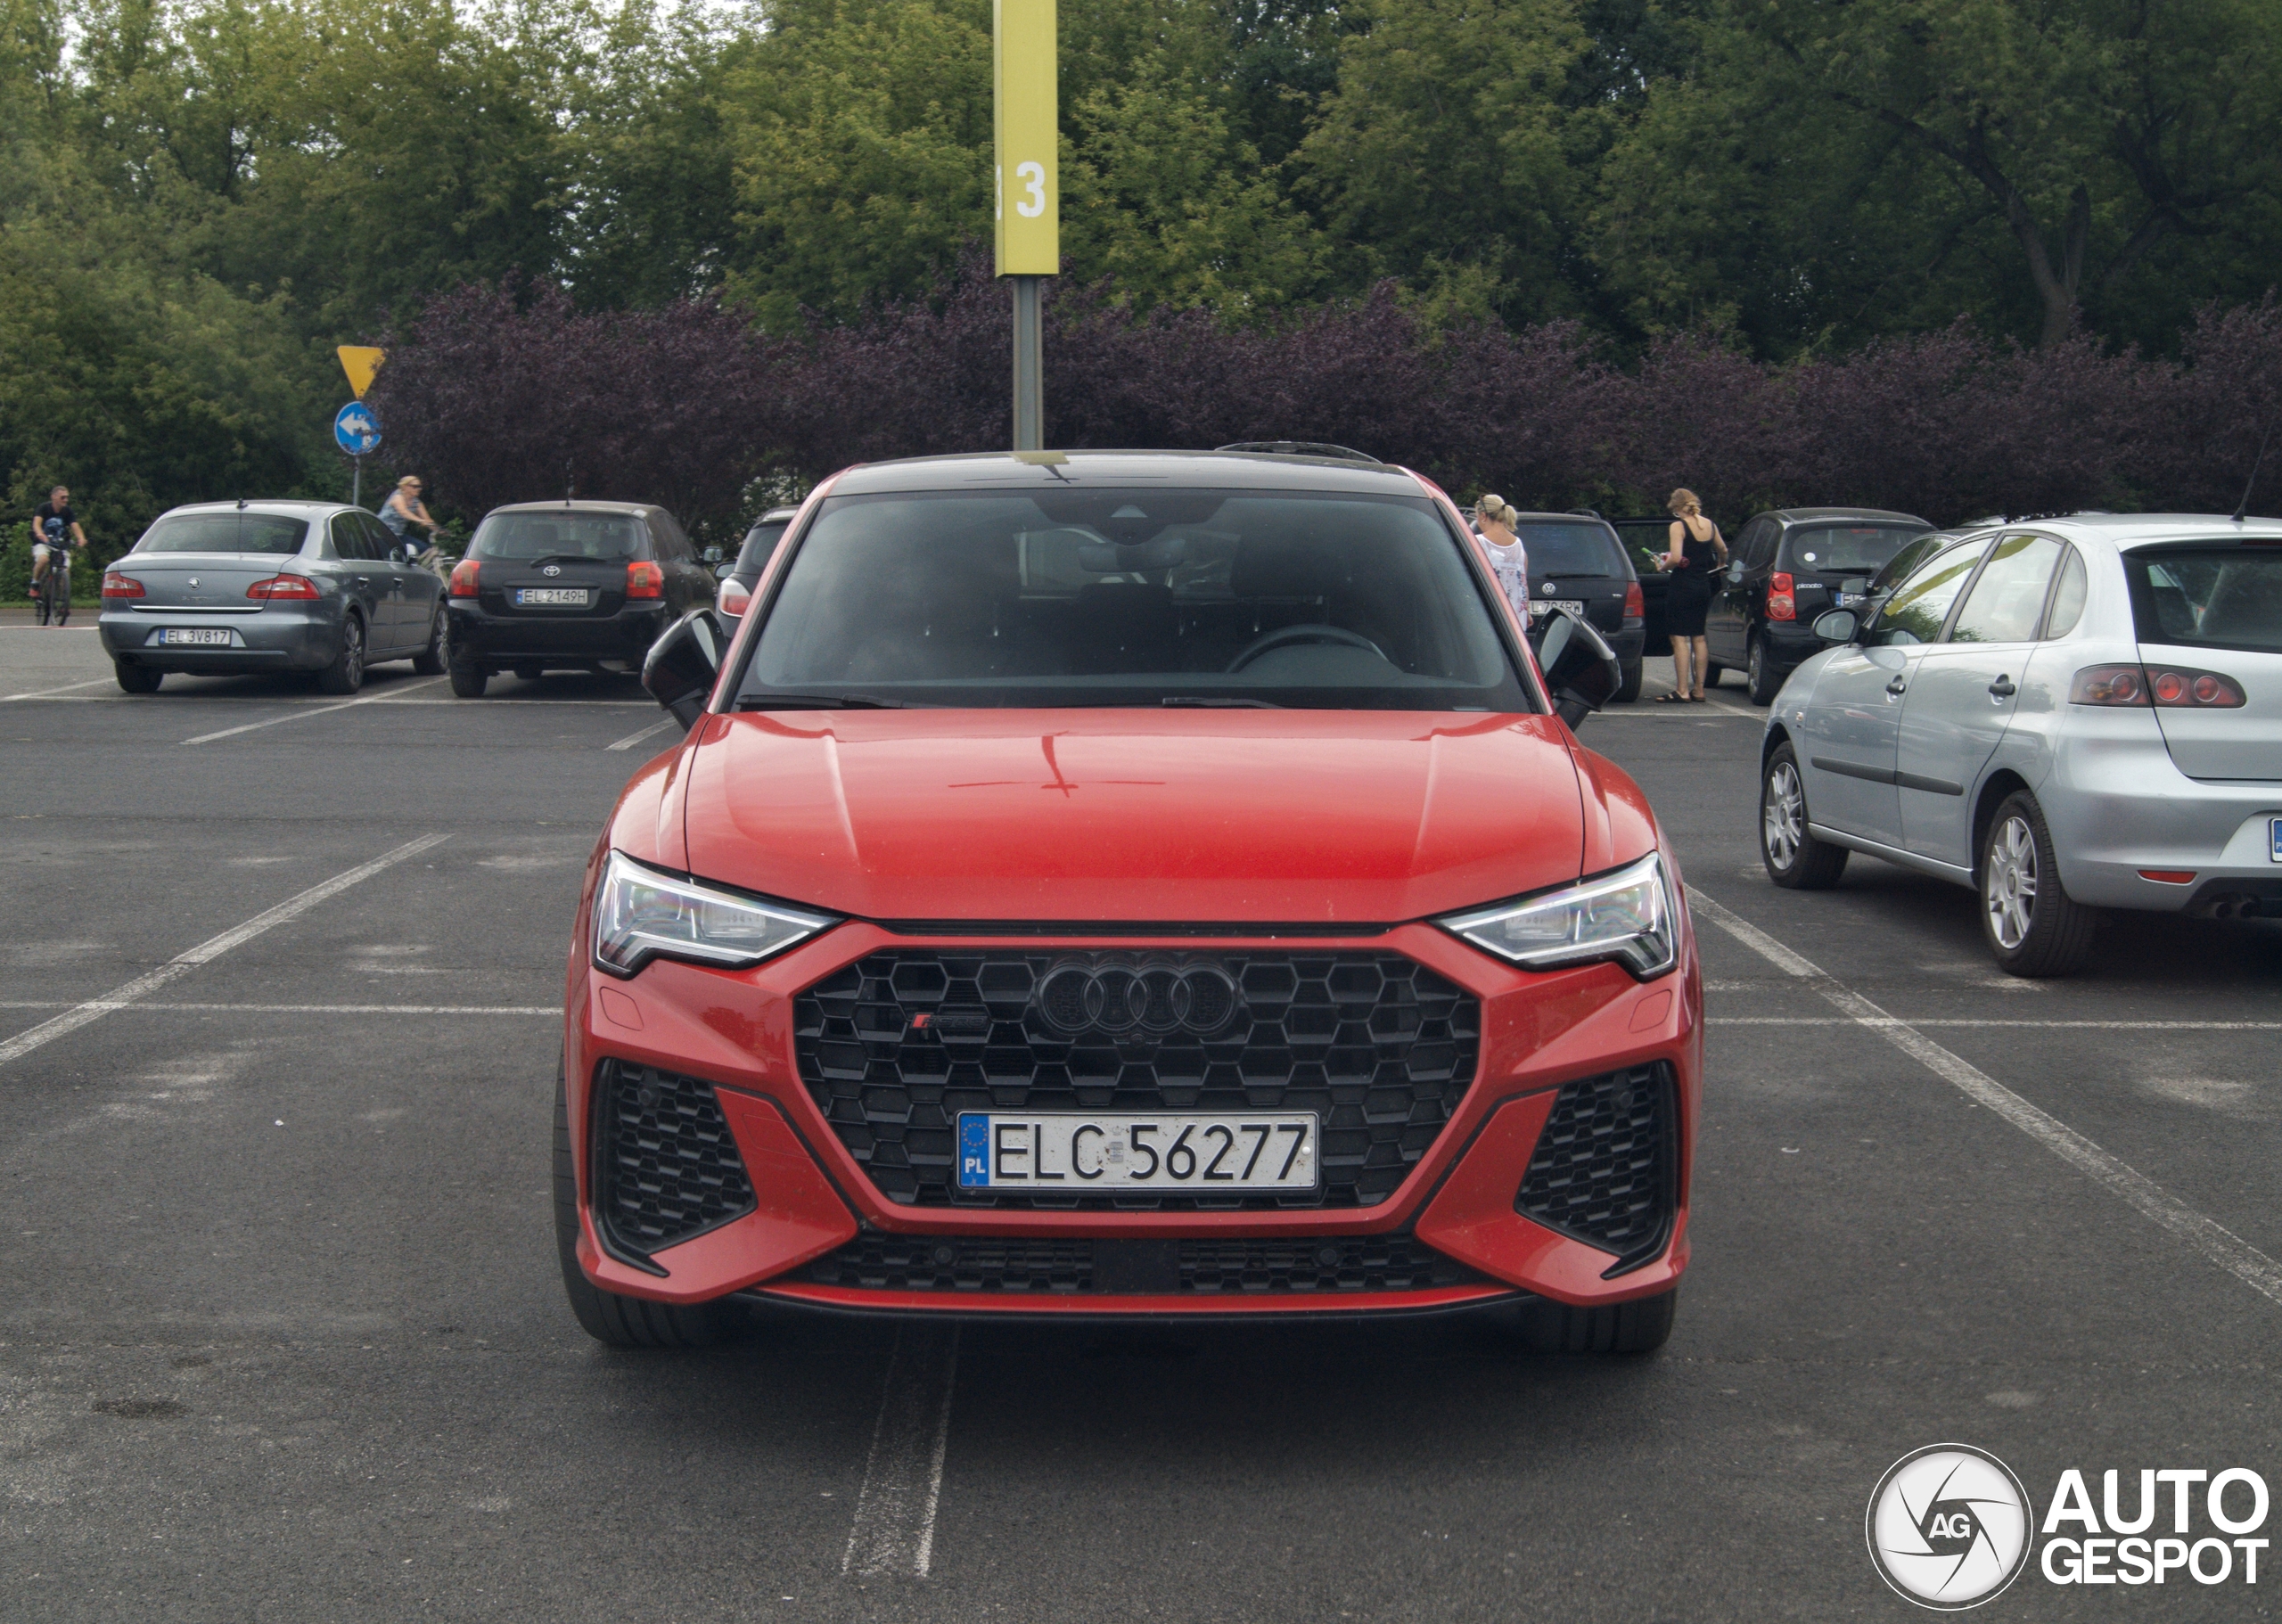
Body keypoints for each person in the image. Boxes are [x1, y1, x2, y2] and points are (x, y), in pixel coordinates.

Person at [1655, 487, 1727, 701]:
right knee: (1699, 638)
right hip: (1703, 585)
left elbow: (1676, 557)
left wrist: (1662, 566)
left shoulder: (1678, 526)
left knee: (1679, 638)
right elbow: (1723, 550)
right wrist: (1720, 565)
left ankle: (1682, 690)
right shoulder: (1710, 525)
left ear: (1676, 508)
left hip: (1682, 586)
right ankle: (1699, 690)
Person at [1474, 494, 1529, 623]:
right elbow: (1523, 583)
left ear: (1483, 516)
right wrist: (1528, 612)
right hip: (1517, 620)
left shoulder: (1478, 543)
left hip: (1489, 618)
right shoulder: (1519, 545)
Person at [29, 486, 87, 599]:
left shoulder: (67, 511)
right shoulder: (44, 508)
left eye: (66, 497)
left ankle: (62, 601)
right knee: (43, 559)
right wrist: (40, 533)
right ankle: (35, 583)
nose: (65, 500)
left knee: (65, 570)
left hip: (60, 544)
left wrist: (81, 538)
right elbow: (36, 523)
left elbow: (75, 526)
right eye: (63, 497)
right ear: (54, 497)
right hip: (43, 543)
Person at [378, 475, 438, 562]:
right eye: (415, 486)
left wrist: (438, 529)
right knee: (393, 560)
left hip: (398, 535)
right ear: (405, 486)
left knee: (423, 548)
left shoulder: (416, 502)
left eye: (420, 487)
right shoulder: (397, 496)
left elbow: (428, 519)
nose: (419, 489)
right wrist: (420, 520)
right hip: (383, 534)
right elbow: (404, 512)